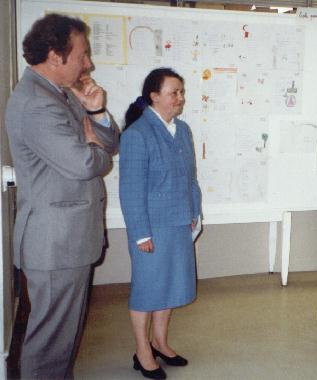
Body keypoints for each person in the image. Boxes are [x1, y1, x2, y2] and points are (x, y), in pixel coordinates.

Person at [5, 13, 119, 378]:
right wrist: (91, 148)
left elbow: (109, 143)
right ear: (55, 55)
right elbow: (87, 164)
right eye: (83, 55)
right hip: (55, 242)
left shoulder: (62, 95)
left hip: (67, 239)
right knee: (51, 343)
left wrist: (97, 111)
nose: (89, 63)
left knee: (62, 339)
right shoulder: (37, 103)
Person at [119, 68, 202, 379]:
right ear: (155, 96)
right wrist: (141, 234)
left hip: (179, 222)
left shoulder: (182, 130)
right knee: (147, 290)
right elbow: (130, 190)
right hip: (151, 229)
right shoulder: (137, 135)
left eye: (181, 92)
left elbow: (191, 177)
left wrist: (195, 211)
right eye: (174, 93)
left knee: (169, 287)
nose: (180, 98)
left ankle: (161, 343)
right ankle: (143, 352)